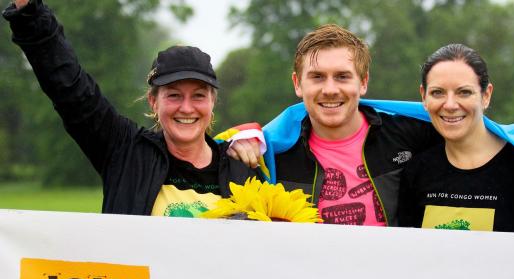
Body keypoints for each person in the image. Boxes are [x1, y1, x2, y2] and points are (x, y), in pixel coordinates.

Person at [3, 0, 257, 217]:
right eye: (174, 95)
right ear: (153, 101)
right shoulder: (125, 150)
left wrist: (255, 139)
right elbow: (70, 89)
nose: (186, 107)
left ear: (213, 102)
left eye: (199, 96)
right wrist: (30, 12)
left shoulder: (240, 166)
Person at [397, 44, 514, 234]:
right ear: (424, 97)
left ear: (486, 95)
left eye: (464, 92)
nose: (450, 104)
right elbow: (410, 256)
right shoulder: (416, 172)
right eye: (438, 92)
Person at [271, 24, 443, 226]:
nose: (330, 89)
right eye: (317, 77)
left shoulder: (410, 135)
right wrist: (242, 137)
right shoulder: (273, 152)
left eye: (342, 76)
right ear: (297, 84)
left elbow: (471, 136)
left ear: (363, 82)